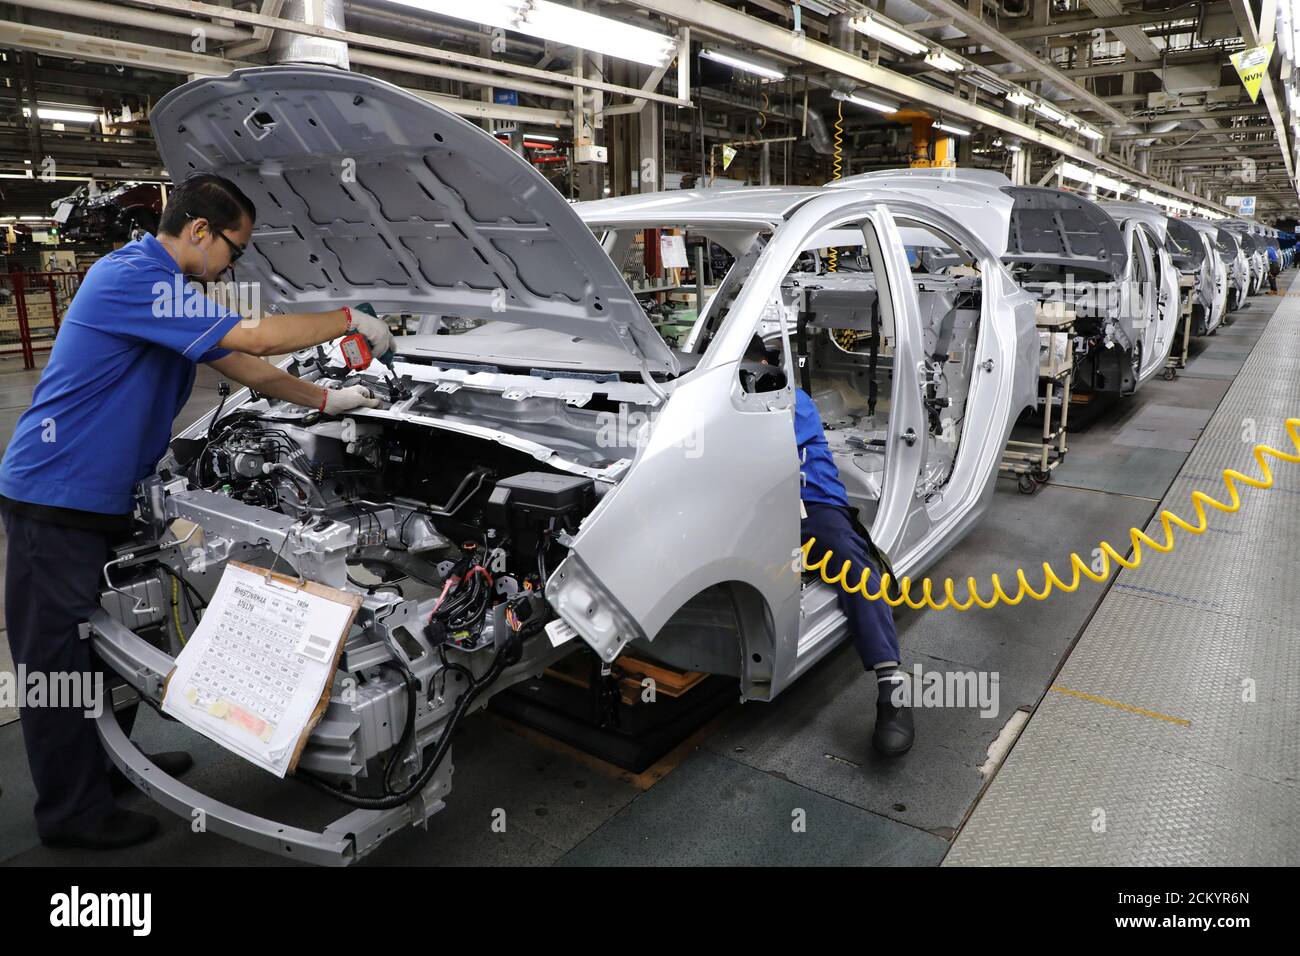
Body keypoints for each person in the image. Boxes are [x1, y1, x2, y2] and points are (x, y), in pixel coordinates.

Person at [0, 172, 394, 850]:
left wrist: (329, 403)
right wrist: (347, 321)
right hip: (53, 496)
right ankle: (71, 812)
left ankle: (105, 772)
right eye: (234, 251)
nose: (233, 265)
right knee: (58, 662)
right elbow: (262, 338)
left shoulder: (172, 295)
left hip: (100, 497)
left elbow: (250, 368)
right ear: (200, 232)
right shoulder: (130, 278)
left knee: (105, 642)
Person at [744, 336, 914, 756]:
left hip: (813, 508)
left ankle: (891, 687)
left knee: (855, 569)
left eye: (747, 372)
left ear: (767, 367)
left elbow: (760, 441)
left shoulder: (793, 400)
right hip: (753, 509)